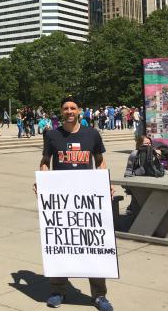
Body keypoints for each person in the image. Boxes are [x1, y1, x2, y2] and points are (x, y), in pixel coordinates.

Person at [38, 96, 114, 311]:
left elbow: (99, 161)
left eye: (73, 108)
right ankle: (57, 290)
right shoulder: (52, 135)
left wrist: (105, 183)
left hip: (88, 197)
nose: (69, 111)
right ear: (61, 112)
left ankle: (99, 295)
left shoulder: (92, 134)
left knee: (94, 244)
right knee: (61, 242)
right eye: (65, 108)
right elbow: (45, 162)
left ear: (79, 110)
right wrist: (42, 182)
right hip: (62, 199)